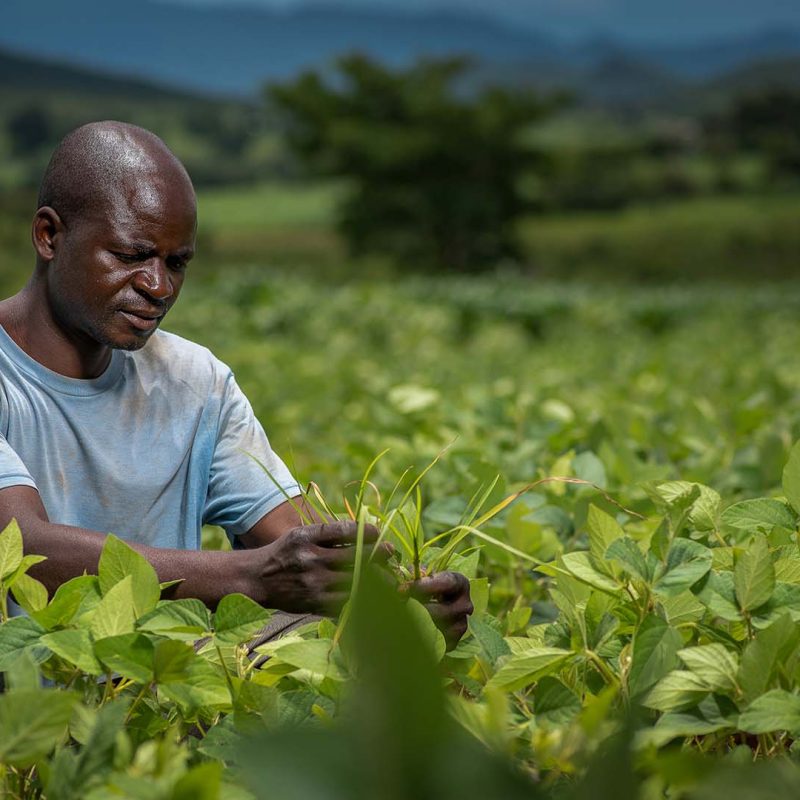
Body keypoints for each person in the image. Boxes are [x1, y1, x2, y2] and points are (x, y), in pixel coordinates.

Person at [0, 121, 472, 647]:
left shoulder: (195, 382)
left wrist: (396, 597)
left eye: (176, 263)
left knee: (353, 650)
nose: (158, 287)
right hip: (22, 693)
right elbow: (21, 546)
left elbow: (295, 544)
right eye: (131, 256)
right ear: (49, 235)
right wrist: (252, 576)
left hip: (167, 686)